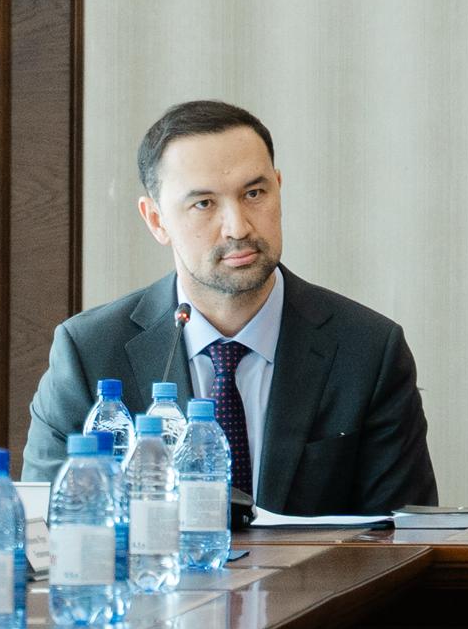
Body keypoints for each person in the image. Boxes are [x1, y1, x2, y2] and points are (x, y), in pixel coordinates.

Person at [23, 100, 437, 514]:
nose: (238, 227)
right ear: (156, 220)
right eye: (204, 203)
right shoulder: (90, 352)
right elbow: (50, 525)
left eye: (254, 193)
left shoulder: (367, 350)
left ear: (278, 188)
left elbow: (403, 539)